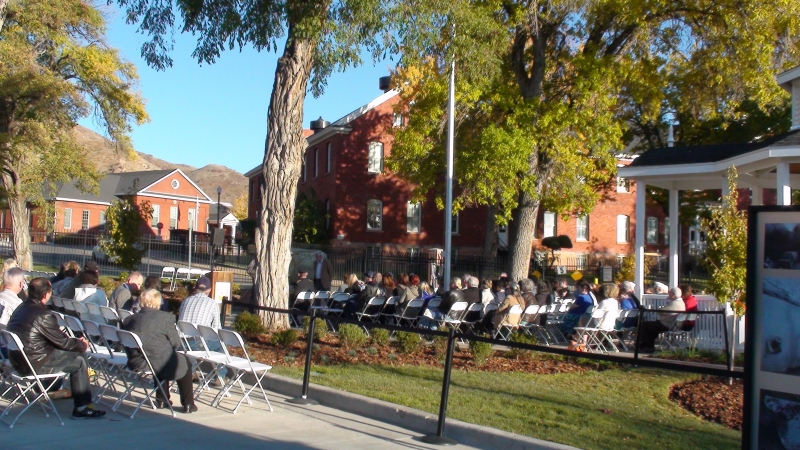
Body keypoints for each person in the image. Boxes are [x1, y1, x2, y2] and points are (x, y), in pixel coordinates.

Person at [6, 278, 106, 419]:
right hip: (34, 364)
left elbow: (55, 340)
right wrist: (82, 344)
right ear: (46, 294)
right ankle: (82, 406)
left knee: (75, 353)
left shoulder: (21, 308)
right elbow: (62, 342)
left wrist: (76, 344)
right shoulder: (43, 314)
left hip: (17, 361)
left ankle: (56, 387)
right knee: (79, 361)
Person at [122, 289, 197, 413]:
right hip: (155, 361)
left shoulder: (129, 319)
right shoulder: (165, 318)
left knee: (160, 357)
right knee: (183, 361)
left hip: (136, 361)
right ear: (158, 302)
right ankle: (188, 403)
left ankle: (162, 399)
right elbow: (176, 343)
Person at [637, 287, 686, 352]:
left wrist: (658, 309)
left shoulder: (674, 304)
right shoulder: (681, 302)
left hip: (668, 325)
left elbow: (661, 311)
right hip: (674, 324)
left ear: (674, 295)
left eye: (670, 293)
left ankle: (647, 346)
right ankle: (648, 345)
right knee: (652, 327)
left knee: (644, 325)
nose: (669, 295)